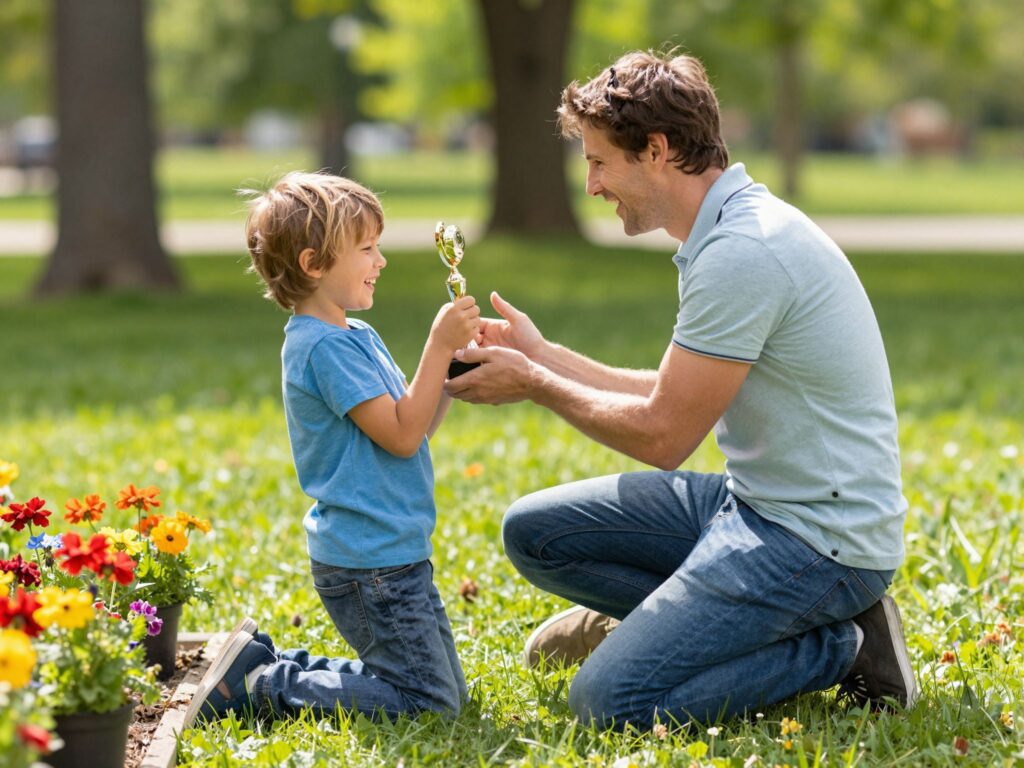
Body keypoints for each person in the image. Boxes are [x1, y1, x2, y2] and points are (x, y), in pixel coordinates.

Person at [445, 50, 917, 730]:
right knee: (535, 533)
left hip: (819, 545)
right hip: (758, 507)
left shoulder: (744, 252)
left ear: (658, 150)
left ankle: (838, 646)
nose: (592, 185)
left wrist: (537, 384)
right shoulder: (726, 231)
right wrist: (543, 355)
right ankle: (697, 631)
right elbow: (672, 392)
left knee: (607, 702)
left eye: (601, 162)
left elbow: (664, 436)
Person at [185, 172, 480, 725]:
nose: (381, 261)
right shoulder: (322, 349)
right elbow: (401, 434)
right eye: (367, 248)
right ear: (314, 264)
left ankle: (269, 661)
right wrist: (436, 346)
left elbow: (409, 429)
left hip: (392, 551)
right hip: (371, 563)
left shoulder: (355, 337)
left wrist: (449, 370)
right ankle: (265, 684)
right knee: (431, 705)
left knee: (443, 694)